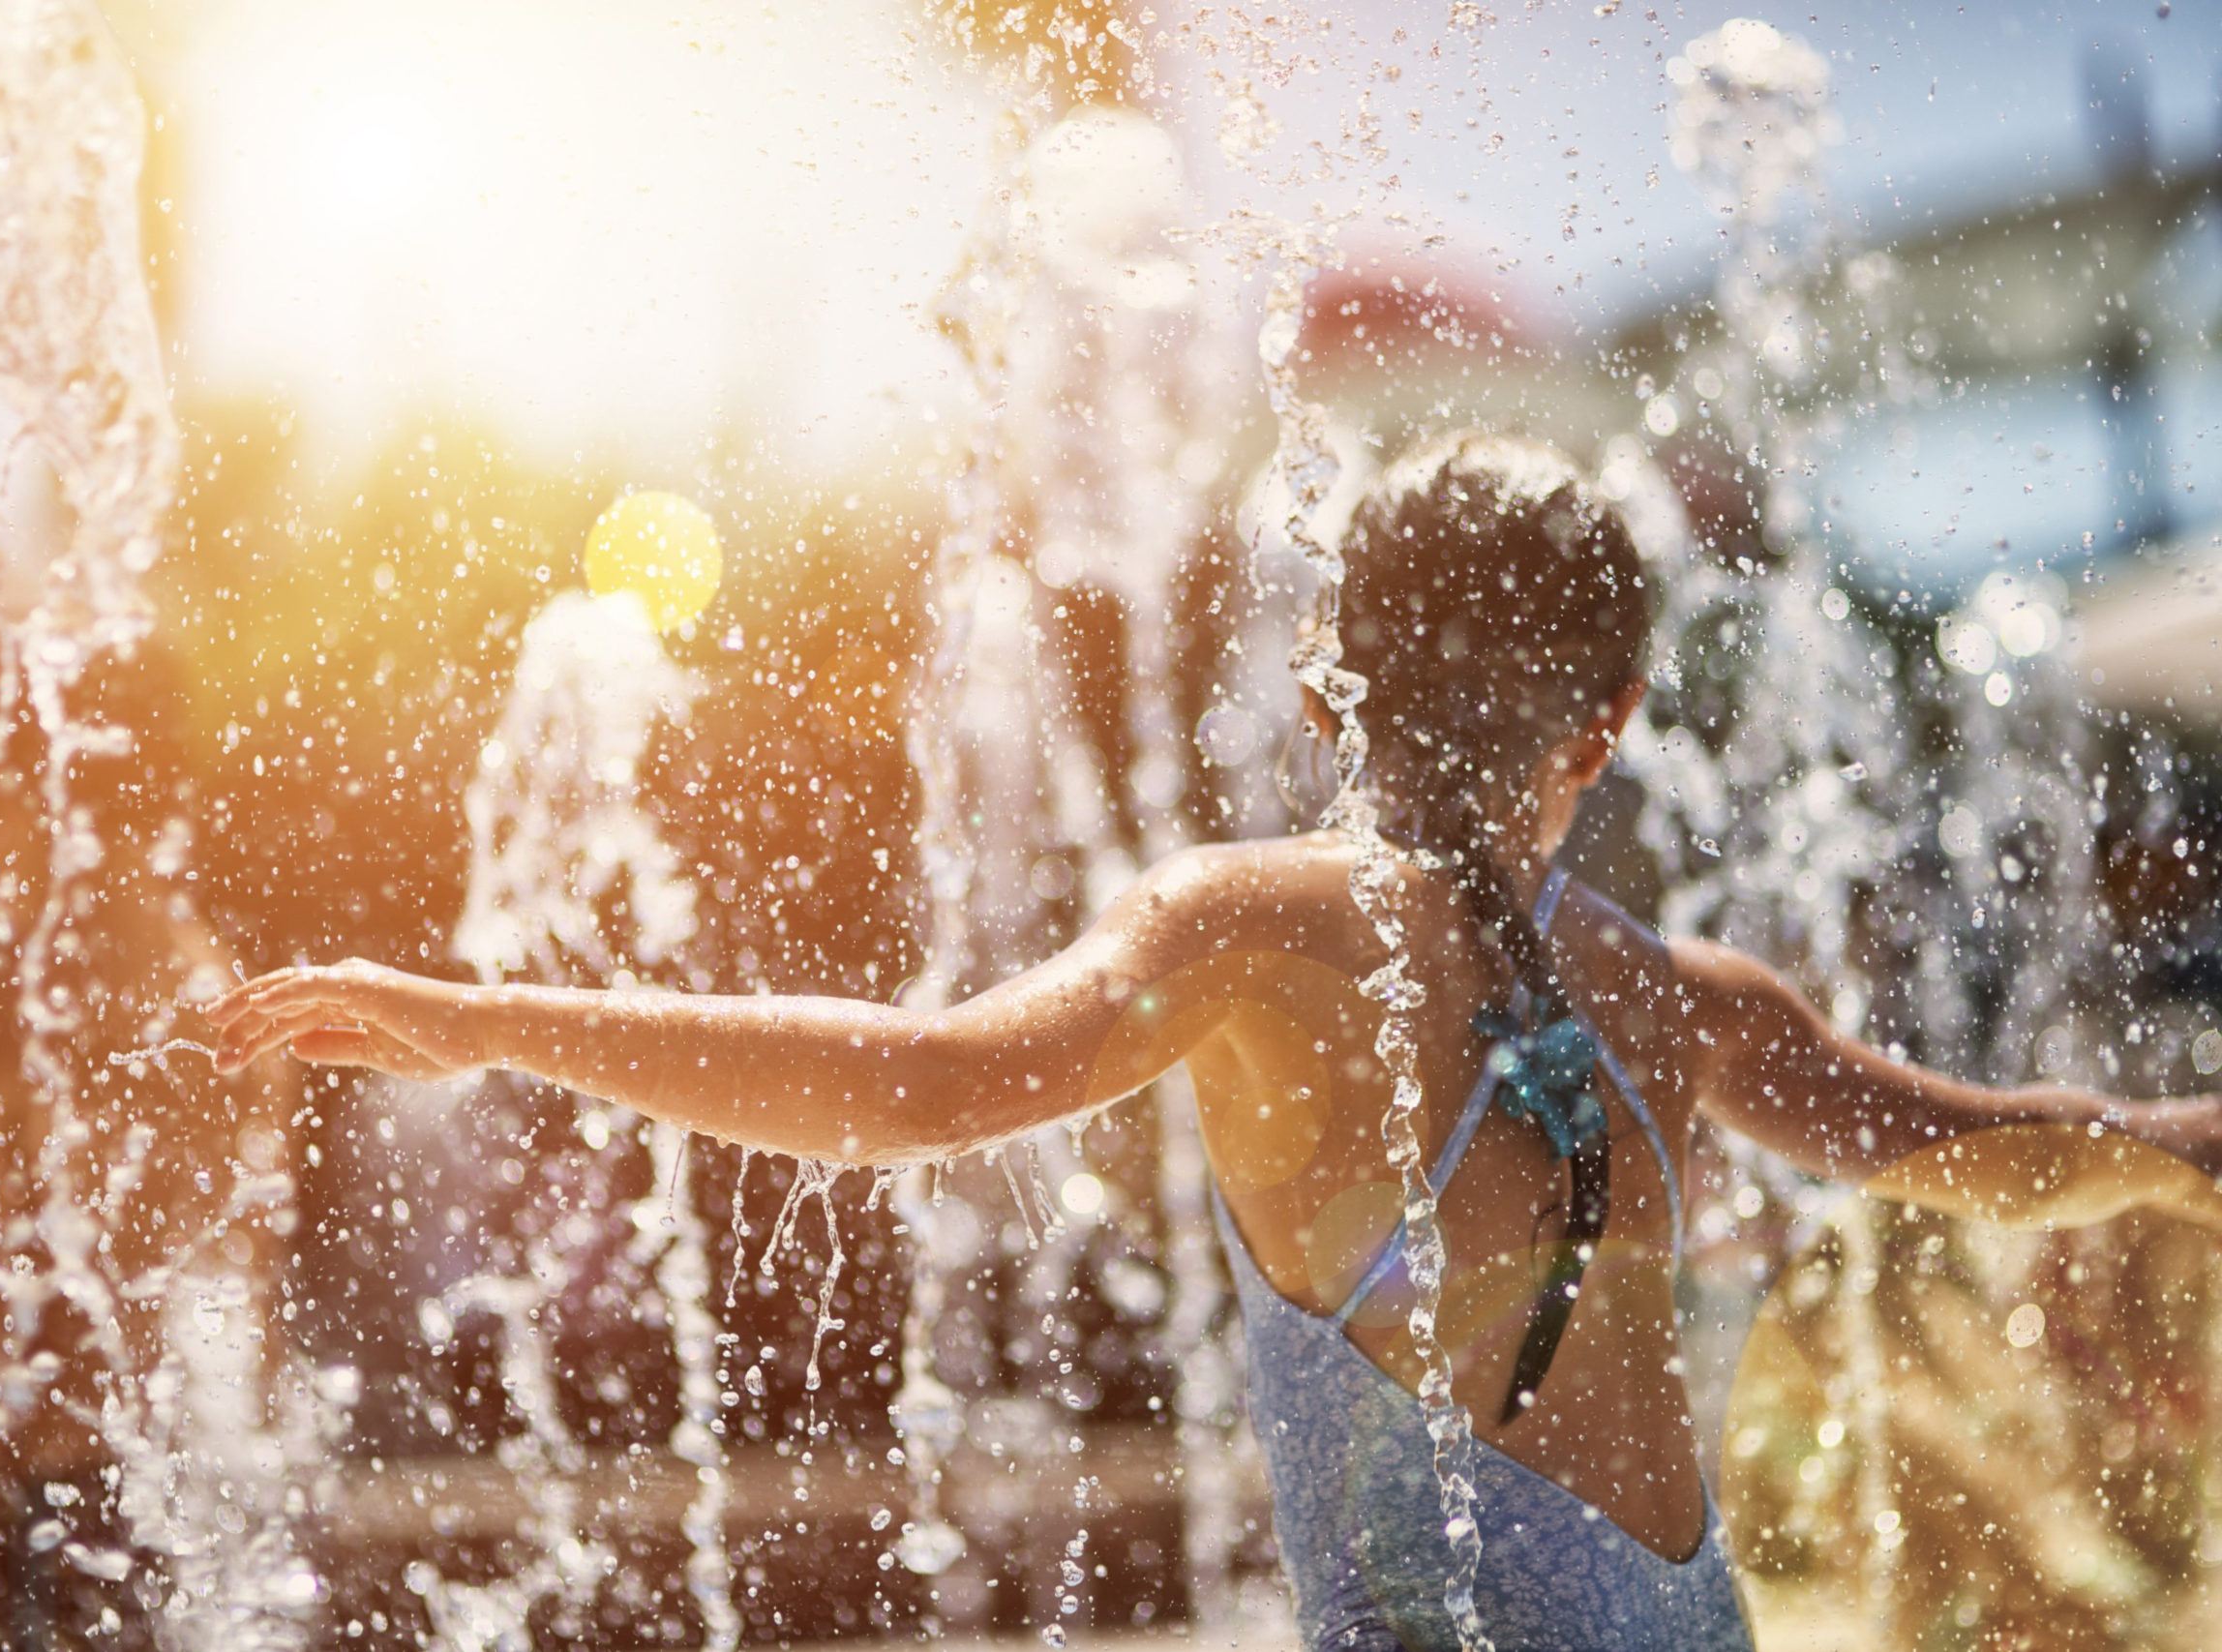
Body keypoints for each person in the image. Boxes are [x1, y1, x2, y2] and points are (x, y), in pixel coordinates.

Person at [205, 430, 2222, 1651]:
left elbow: (907, 1084)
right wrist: (2172, 1131)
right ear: (1603, 720)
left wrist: (478, 1016)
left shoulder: (1248, 934)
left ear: (1339, 672)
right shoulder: (1689, 1004)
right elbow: (1997, 1144)